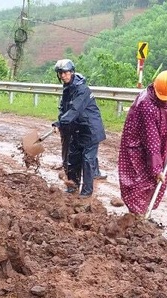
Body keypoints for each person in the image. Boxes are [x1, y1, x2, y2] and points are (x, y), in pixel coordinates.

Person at [117, 70, 167, 215]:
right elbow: (151, 141)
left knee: (159, 179)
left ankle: (147, 212)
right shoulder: (147, 104)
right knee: (139, 180)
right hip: (138, 145)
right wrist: (156, 169)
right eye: (164, 98)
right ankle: (138, 215)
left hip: (165, 141)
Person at [52, 59, 106, 197]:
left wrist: (60, 123)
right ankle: (72, 186)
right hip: (77, 128)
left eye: (65, 73)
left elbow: (75, 110)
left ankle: (86, 192)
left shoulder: (82, 90)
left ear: (72, 72)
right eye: (60, 73)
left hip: (90, 129)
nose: (63, 76)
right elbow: (64, 109)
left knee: (87, 160)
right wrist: (59, 121)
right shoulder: (67, 88)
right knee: (73, 157)